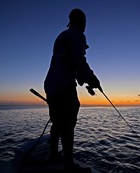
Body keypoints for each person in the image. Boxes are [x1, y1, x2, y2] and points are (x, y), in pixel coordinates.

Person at [44, 8, 102, 171]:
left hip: (51, 86)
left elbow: (72, 67)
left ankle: (53, 154)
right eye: (84, 22)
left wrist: (86, 82)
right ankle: (68, 165)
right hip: (63, 86)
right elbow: (79, 61)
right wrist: (93, 79)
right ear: (81, 21)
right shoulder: (77, 35)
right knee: (68, 124)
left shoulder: (63, 36)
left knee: (57, 121)